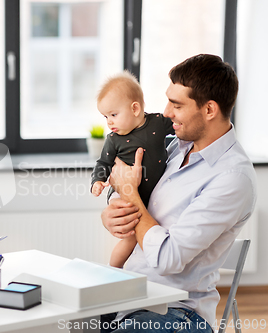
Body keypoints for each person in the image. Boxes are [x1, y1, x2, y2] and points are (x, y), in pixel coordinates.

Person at [100, 54, 256, 332]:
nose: (167, 112)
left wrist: (131, 196)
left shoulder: (232, 178)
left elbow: (167, 258)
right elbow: (129, 187)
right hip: (130, 298)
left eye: (177, 104)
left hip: (177, 313)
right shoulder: (174, 147)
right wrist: (113, 211)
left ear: (209, 110)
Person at [91, 71, 174, 268]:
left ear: (135, 108)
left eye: (113, 114)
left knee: (145, 232)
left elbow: (181, 125)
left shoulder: (157, 124)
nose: (109, 122)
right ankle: (113, 270)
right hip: (121, 193)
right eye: (105, 117)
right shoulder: (113, 140)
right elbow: (103, 163)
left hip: (146, 193)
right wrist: (97, 181)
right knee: (130, 238)